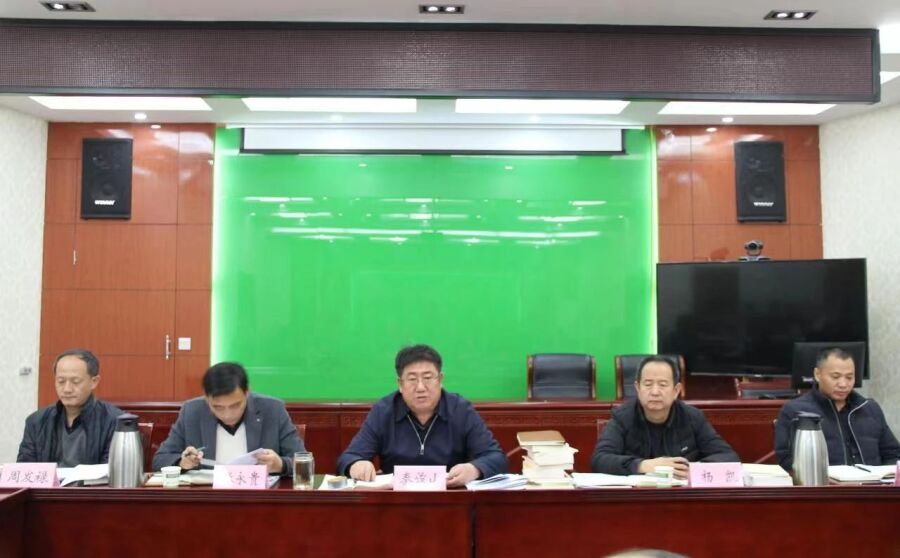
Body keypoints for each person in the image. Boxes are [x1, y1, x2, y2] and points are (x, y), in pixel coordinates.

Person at [336, 344, 507, 488]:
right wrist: (356, 465)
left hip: (451, 500)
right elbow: (348, 458)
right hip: (396, 503)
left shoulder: (460, 410)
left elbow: (496, 457)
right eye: (412, 379)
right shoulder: (384, 411)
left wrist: (474, 469)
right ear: (400, 384)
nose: (420, 387)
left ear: (440, 380)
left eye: (427, 378)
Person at [592, 355, 738, 478]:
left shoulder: (692, 417)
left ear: (676, 390)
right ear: (638, 388)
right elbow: (600, 460)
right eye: (648, 384)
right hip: (637, 497)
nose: (655, 392)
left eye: (662, 384)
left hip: (681, 496)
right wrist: (643, 465)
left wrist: (690, 469)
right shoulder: (622, 417)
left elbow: (728, 457)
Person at [152, 362, 304, 475]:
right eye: (218, 407)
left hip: (259, 499)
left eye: (235, 405)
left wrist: (281, 465)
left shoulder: (273, 410)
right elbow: (160, 459)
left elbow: (303, 462)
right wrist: (182, 462)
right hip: (208, 499)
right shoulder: (192, 412)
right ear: (207, 398)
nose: (228, 414)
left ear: (247, 392)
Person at [775, 347, 900, 469]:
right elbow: (785, 459)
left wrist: (885, 476)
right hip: (823, 481)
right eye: (835, 377)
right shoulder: (795, 411)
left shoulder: (870, 408)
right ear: (817, 374)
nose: (843, 384)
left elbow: (893, 453)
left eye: (849, 377)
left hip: (873, 482)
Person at [17, 348, 123, 465]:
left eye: (75, 381)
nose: (67, 389)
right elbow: (25, 469)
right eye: (61, 381)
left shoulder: (115, 422)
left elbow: (111, 470)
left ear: (94, 381)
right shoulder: (36, 421)